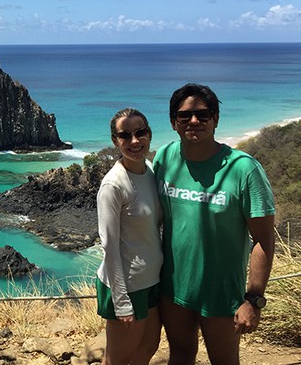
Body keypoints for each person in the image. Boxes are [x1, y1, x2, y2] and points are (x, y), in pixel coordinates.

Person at [153, 83, 276, 365]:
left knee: (224, 360)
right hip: (173, 289)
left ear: (216, 120)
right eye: (184, 116)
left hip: (222, 294)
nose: (193, 121)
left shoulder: (244, 169)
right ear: (173, 122)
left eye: (203, 115)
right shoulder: (165, 157)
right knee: (181, 356)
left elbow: (264, 240)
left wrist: (254, 299)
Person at [96, 108, 163, 365]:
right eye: (125, 135)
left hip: (151, 279)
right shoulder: (113, 185)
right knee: (119, 359)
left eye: (140, 132)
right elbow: (109, 247)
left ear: (149, 134)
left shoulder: (149, 170)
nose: (134, 141)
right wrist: (121, 301)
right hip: (126, 284)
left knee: (146, 349)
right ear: (115, 140)